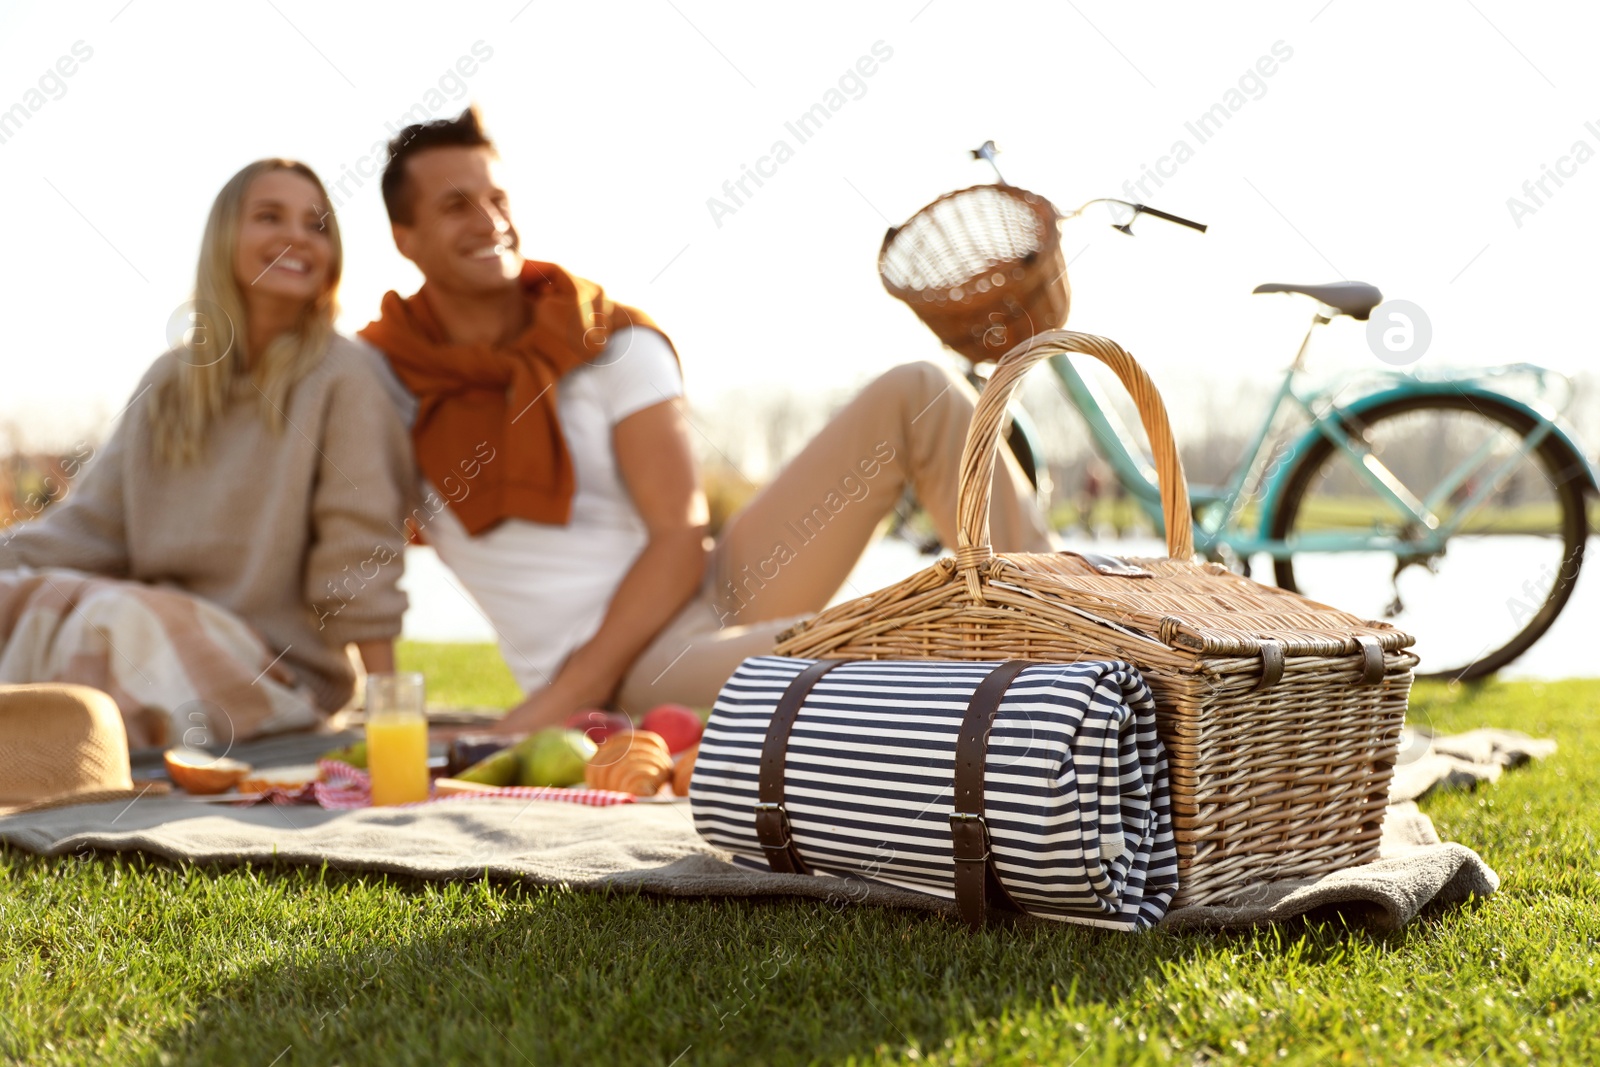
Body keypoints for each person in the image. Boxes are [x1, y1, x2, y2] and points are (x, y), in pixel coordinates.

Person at [362, 107, 1053, 736]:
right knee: (881, 648)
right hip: (637, 665)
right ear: (405, 236)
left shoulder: (605, 338)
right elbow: (350, 541)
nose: (490, 221)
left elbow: (677, 535)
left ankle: (1067, 622)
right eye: (457, 205)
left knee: (920, 391)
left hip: (711, 590)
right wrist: (387, 710)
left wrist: (555, 704)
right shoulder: (381, 377)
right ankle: (1022, 663)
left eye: (498, 198)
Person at [0, 160, 414, 748]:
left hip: (277, 672)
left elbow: (358, 550)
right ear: (223, 238)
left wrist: (391, 712)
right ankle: (40, 754)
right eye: (270, 216)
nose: (298, 236)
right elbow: (85, 530)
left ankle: (56, 757)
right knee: (31, 597)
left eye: (317, 224)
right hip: (152, 628)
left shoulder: (344, 375)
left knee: (111, 620)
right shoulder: (169, 380)